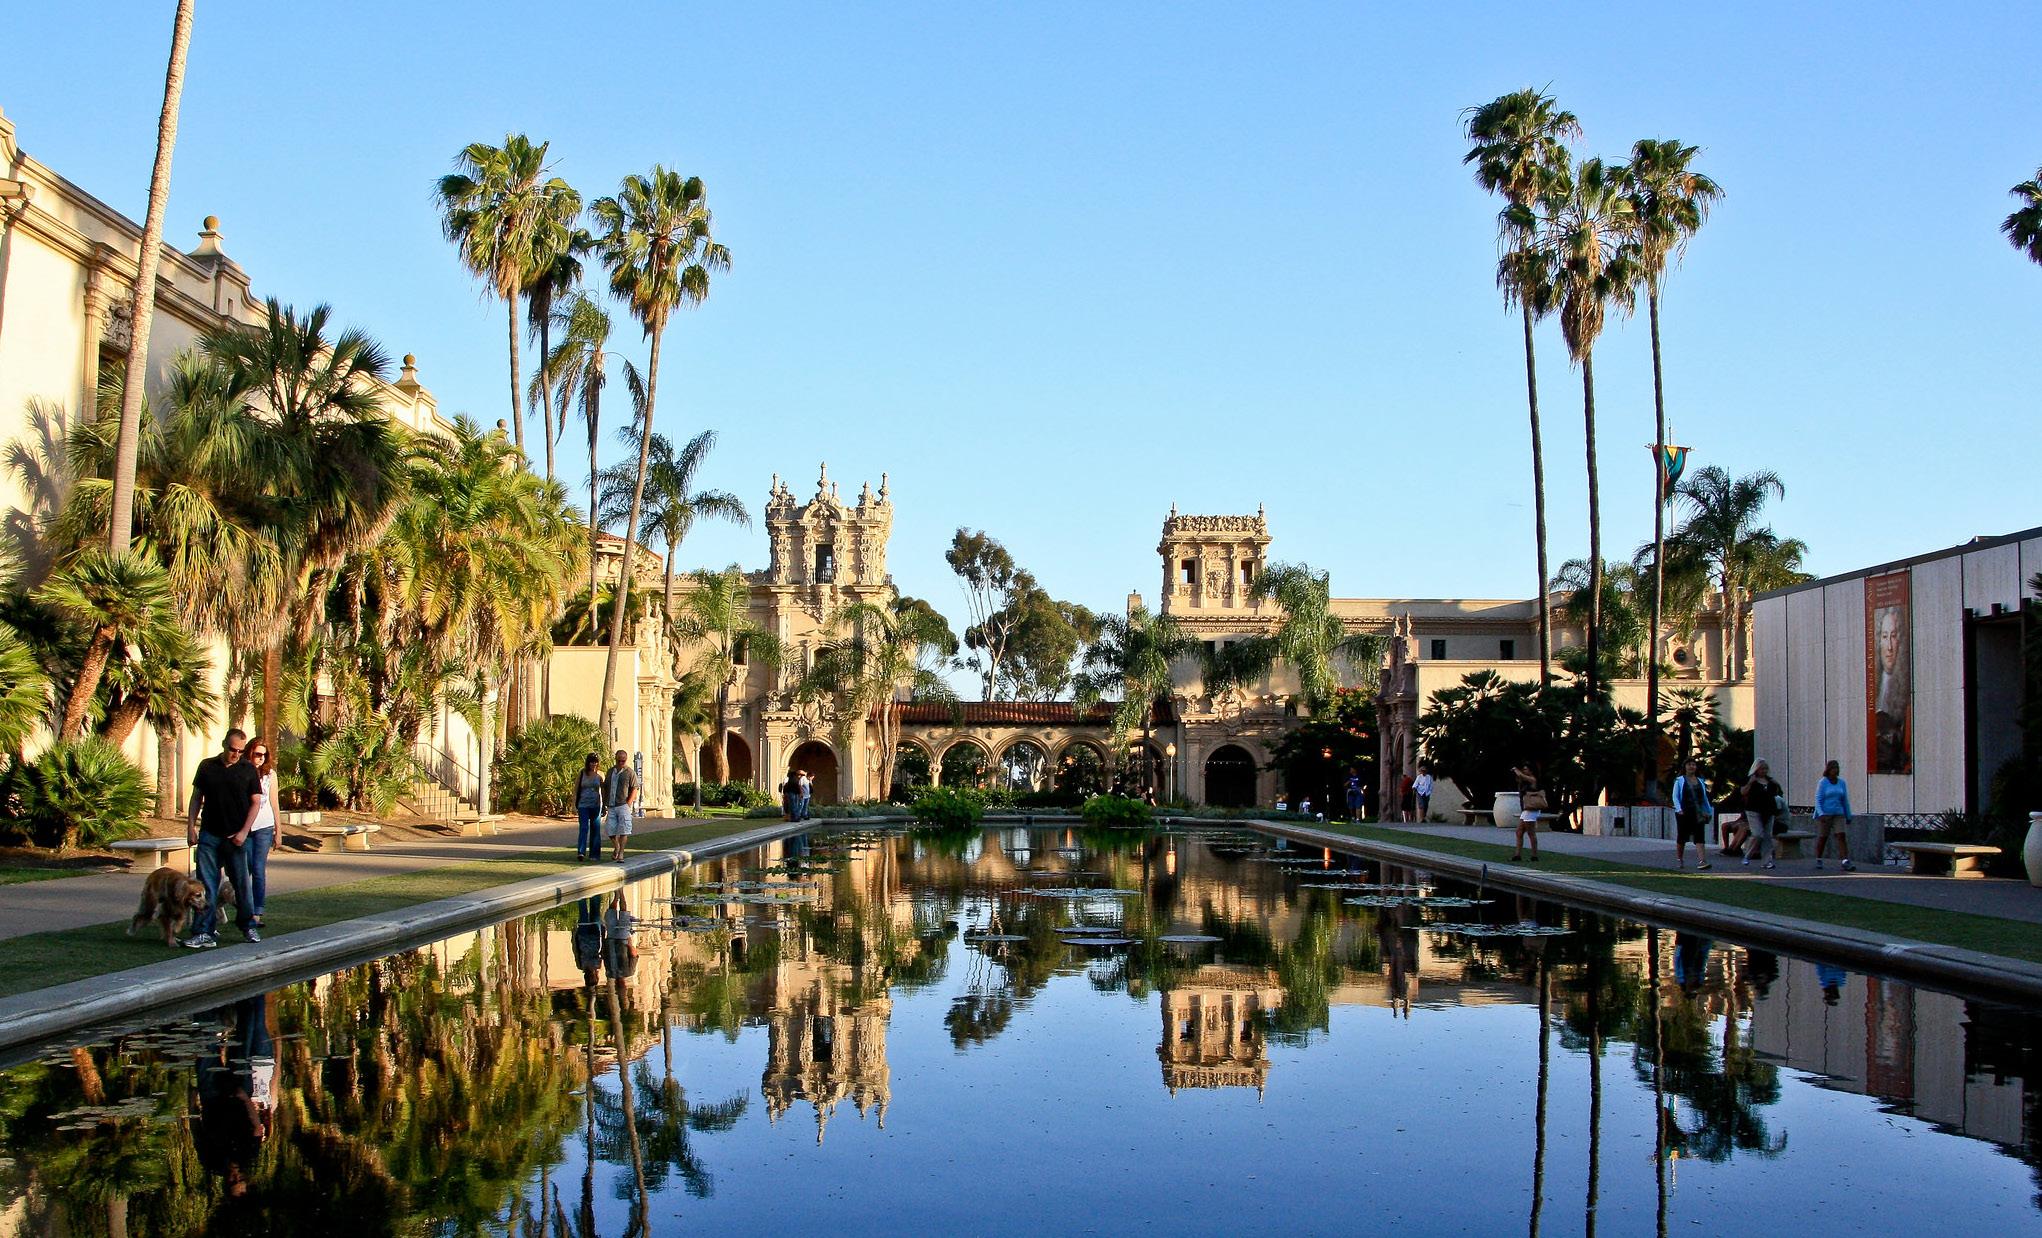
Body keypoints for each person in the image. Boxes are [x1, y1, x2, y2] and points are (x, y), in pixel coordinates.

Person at [185, 729, 264, 948]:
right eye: (232, 749)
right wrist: (190, 827)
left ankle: (248, 926)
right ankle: (204, 931)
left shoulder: (248, 769)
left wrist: (244, 832)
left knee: (241, 884)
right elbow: (196, 798)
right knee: (206, 886)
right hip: (210, 834)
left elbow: (256, 802)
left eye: (240, 751)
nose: (236, 754)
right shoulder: (207, 766)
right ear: (223, 744)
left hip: (236, 837)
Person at [242, 737, 279, 929]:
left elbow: (274, 803)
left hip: (264, 826)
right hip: (245, 827)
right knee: (245, 868)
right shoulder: (241, 771)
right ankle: (245, 909)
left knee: (258, 869)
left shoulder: (269, 774)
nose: (261, 758)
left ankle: (257, 912)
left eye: (264, 755)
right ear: (250, 753)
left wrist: (278, 831)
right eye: (257, 754)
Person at [1670, 758, 1714, 871]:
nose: (1691, 767)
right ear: (1685, 767)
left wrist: (1708, 811)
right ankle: (1679, 859)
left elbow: (1704, 798)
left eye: (1693, 765)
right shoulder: (1679, 780)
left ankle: (1702, 861)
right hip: (1683, 812)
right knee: (1682, 836)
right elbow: (1675, 796)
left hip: (1698, 812)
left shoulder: (1700, 781)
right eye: (1689, 764)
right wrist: (1679, 809)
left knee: (1699, 836)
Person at [1740, 759, 1785, 870]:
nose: (1764, 771)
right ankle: (1747, 855)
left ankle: (1767, 861)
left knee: (1767, 836)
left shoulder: (1770, 781)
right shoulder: (1751, 780)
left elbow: (1778, 793)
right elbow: (1743, 792)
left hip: (1768, 811)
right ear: (1756, 769)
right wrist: (1750, 783)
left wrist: (1777, 784)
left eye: (1765, 769)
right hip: (1753, 810)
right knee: (1758, 834)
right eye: (1761, 769)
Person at [1814, 759, 1856, 871]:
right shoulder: (1823, 782)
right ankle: (1819, 858)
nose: (1836, 770)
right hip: (1826, 814)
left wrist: (1848, 815)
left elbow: (1844, 800)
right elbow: (1818, 799)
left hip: (1839, 813)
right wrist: (1821, 813)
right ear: (1828, 770)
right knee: (1823, 837)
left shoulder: (1841, 783)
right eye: (1833, 768)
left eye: (1837, 768)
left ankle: (1845, 860)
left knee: (1841, 835)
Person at [603, 749, 637, 862]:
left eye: (623, 761)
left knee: (624, 830)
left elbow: (634, 788)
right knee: (609, 829)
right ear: (616, 759)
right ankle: (616, 846)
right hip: (611, 805)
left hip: (623, 805)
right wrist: (604, 802)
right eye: (619, 760)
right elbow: (605, 787)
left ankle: (621, 853)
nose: (621, 763)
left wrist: (628, 804)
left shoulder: (630, 772)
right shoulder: (610, 771)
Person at [574, 754, 604, 862]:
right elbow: (576, 789)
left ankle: (594, 854)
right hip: (583, 805)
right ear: (588, 763)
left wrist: (604, 806)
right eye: (591, 762)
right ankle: (581, 852)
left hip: (596, 805)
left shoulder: (600, 774)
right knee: (584, 828)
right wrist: (574, 804)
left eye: (595, 762)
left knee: (595, 829)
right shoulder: (582, 773)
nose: (593, 764)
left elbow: (603, 790)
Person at [1510, 764, 1542, 862]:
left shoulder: (1533, 779)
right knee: (1519, 832)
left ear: (1531, 771)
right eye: (1523, 769)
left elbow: (1521, 775)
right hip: (1526, 810)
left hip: (1531, 810)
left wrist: (1515, 769)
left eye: (1526, 769)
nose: (1524, 771)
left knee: (1531, 832)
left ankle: (1534, 856)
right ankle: (1517, 855)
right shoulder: (1525, 781)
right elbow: (1520, 778)